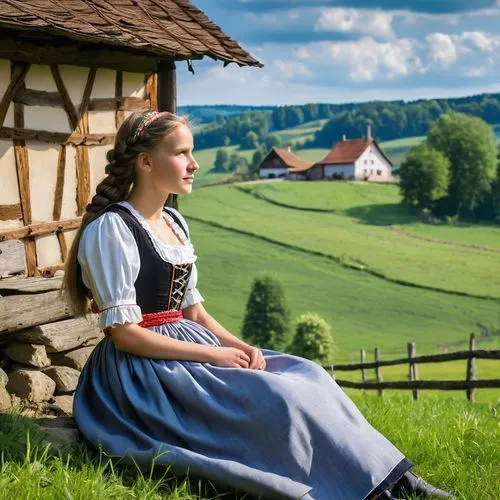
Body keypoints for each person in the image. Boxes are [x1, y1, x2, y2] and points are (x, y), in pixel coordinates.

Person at [62, 111, 451, 500]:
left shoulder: (174, 223)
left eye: (192, 152)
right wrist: (213, 357)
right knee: (279, 400)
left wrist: (242, 347)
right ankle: (363, 490)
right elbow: (125, 335)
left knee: (309, 375)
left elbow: (193, 312)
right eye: (182, 153)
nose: (194, 164)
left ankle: (398, 480)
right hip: (142, 374)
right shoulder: (112, 230)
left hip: (187, 347)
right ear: (145, 162)